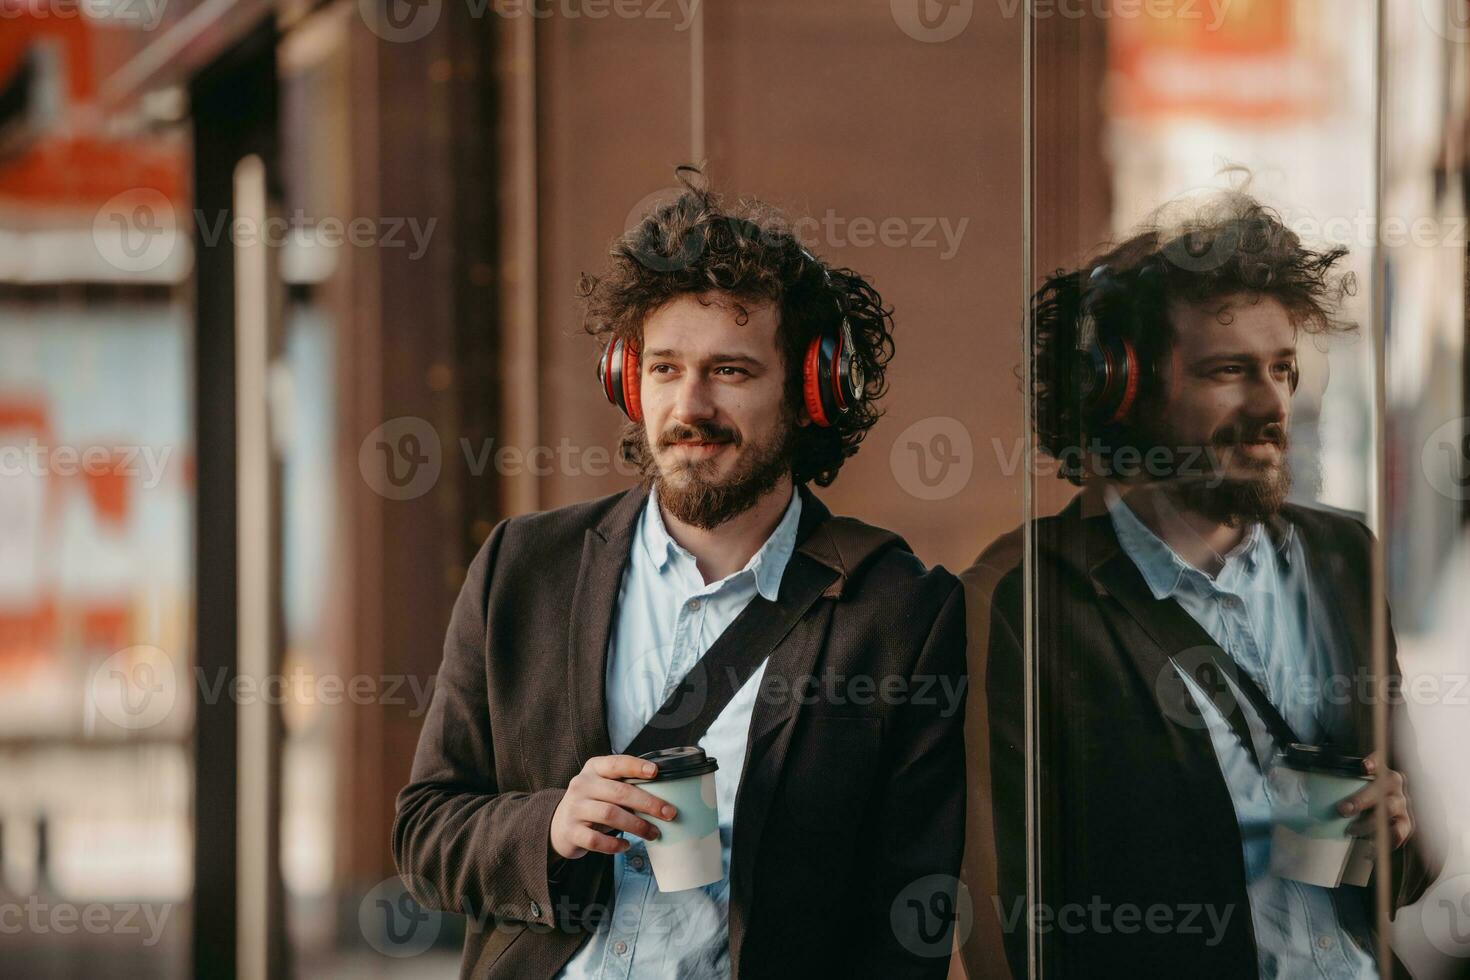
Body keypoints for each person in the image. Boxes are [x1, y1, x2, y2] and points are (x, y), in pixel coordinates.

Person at [393, 171, 967, 979]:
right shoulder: (524, 568)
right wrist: (550, 825)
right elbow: (425, 834)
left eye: (730, 372)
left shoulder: (900, 612)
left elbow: (904, 929)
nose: (689, 405)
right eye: (664, 369)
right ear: (628, 380)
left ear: (811, 392)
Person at [965, 191, 1434, 978]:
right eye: (1229, 372)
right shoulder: (1028, 600)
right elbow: (1007, 932)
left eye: (1283, 369)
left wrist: (1397, 830)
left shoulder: (1342, 557)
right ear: (1123, 389)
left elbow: (1410, 881)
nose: (1271, 405)